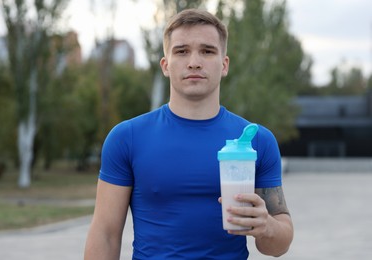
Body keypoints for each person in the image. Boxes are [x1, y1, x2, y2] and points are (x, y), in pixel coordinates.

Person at [84, 8, 293, 260]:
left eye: (207, 51)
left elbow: (278, 245)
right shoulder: (126, 137)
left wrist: (266, 226)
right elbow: (105, 234)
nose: (194, 61)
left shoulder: (256, 140)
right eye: (182, 51)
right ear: (165, 65)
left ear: (224, 65)